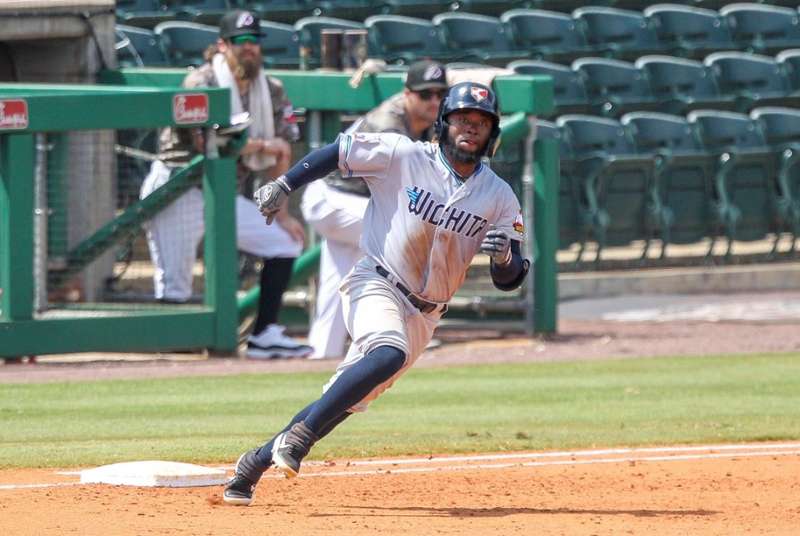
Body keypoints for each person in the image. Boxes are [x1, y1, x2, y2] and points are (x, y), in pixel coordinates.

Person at [222, 81, 530, 505]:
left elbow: (511, 277)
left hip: (427, 312)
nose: (470, 128)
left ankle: (253, 464)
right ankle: (301, 441)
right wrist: (284, 185)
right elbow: (338, 151)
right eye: (462, 119)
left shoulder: (499, 197)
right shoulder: (403, 154)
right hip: (378, 281)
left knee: (344, 399)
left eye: (480, 122)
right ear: (444, 123)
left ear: (492, 133)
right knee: (389, 352)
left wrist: (502, 261)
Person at [139, 10, 312, 359]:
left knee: (284, 243)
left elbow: (284, 149)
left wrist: (281, 213)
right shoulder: (202, 81)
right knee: (175, 282)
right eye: (240, 42)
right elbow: (212, 145)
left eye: (254, 42)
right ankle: (170, 361)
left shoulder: (271, 88)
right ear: (223, 45)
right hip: (179, 187)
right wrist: (263, 146)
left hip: (223, 194)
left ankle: (265, 335)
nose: (248, 49)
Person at [300, 59, 448, 360]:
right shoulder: (389, 125)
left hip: (352, 202)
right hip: (332, 197)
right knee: (409, 238)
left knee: (337, 283)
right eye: (425, 94)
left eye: (439, 94)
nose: (434, 101)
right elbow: (407, 193)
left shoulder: (430, 122)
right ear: (408, 94)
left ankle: (320, 355)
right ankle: (406, 327)